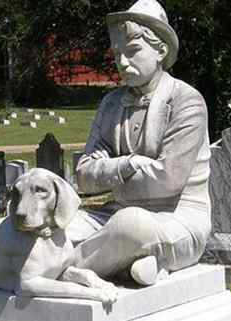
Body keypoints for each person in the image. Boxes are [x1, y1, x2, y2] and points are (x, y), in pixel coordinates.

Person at [70, 0, 212, 286]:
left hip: (179, 219)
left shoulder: (187, 101)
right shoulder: (110, 104)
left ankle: (57, 271)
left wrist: (109, 174)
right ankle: (133, 263)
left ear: (160, 50)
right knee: (60, 224)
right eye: (117, 53)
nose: (122, 62)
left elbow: (167, 180)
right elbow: (84, 176)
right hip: (115, 214)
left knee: (131, 226)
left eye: (133, 51)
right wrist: (128, 164)